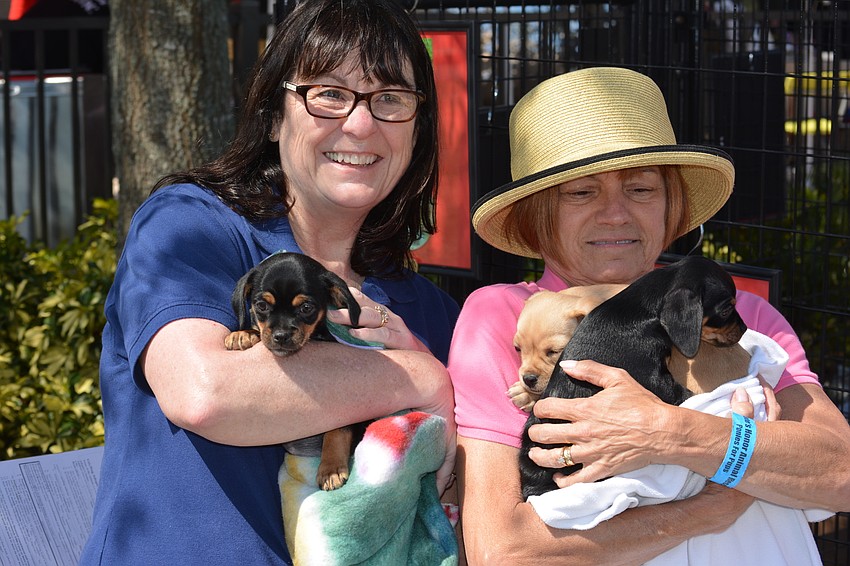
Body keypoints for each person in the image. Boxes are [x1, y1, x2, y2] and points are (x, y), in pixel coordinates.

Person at [80, 1, 459, 563]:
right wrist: (417, 377)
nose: (360, 123)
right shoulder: (191, 229)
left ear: (416, 128)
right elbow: (205, 393)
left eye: (391, 99)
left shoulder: (426, 309)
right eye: (328, 93)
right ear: (274, 115)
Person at [448, 67, 850, 564]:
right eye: (581, 192)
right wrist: (706, 509)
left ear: (671, 204)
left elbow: (841, 474)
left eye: (641, 189)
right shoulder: (504, 318)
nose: (616, 213)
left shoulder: (734, 315)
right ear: (537, 213)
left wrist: (669, 433)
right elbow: (501, 549)